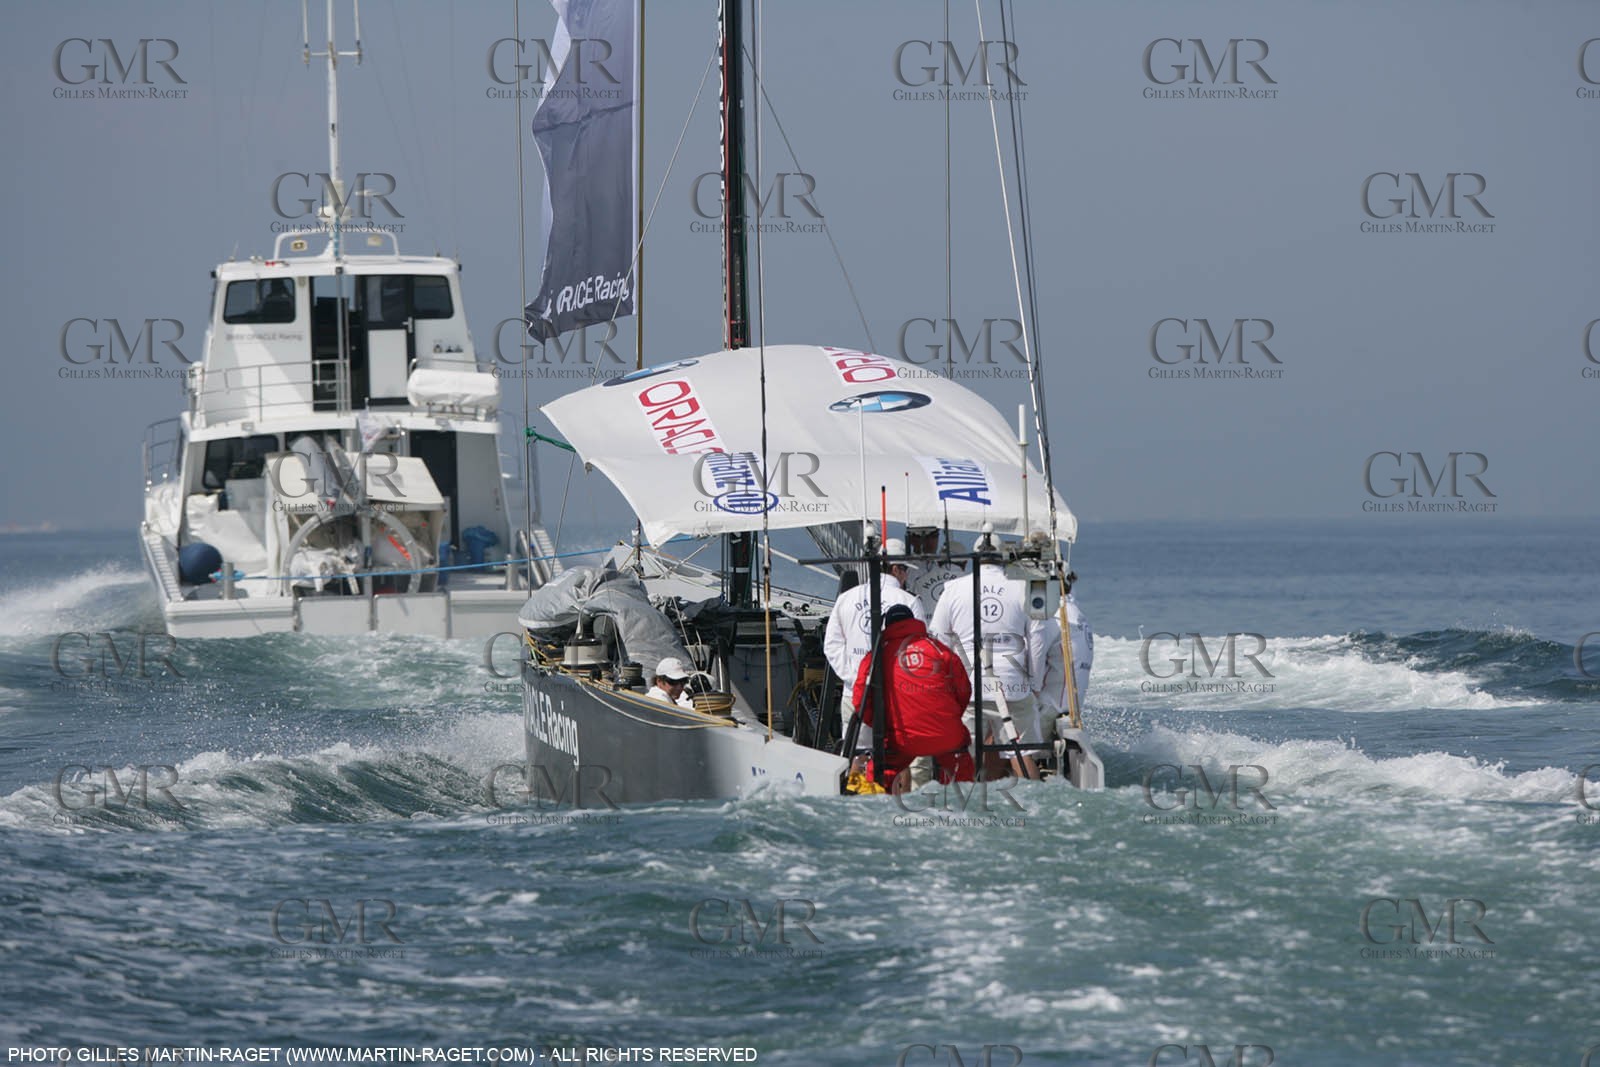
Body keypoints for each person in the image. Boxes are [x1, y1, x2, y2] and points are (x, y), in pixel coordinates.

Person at [930, 534, 1050, 776]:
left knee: (963, 754)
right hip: (1013, 686)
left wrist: (947, 685)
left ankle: (962, 808)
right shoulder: (1022, 587)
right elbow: (1037, 639)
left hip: (968, 686)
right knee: (1022, 752)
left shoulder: (953, 589)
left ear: (976, 559)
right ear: (1003, 559)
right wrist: (1035, 683)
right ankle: (1035, 805)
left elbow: (938, 641)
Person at [851, 604, 973, 788]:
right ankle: (962, 809)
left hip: (901, 738)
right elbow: (963, 689)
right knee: (960, 769)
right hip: (946, 733)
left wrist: (880, 726)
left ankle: (878, 810)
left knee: (879, 772)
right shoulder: (938, 648)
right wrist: (949, 718)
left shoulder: (878, 653)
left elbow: (861, 699)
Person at [823, 538, 925, 750]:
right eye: (905, 571)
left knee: (855, 755)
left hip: (854, 694)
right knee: (899, 757)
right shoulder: (909, 601)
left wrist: (854, 677)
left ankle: (853, 784)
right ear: (896, 569)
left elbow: (831, 646)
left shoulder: (846, 598)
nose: (906, 577)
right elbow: (918, 652)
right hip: (896, 697)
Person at [1035, 572, 1094, 725]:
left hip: (1050, 709)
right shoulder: (1075, 612)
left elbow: (1033, 660)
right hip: (1072, 708)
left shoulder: (1053, 616)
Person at [904, 526, 967, 617]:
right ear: (912, 539)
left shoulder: (941, 567)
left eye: (934, 536)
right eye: (925, 537)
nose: (930, 541)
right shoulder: (906, 569)